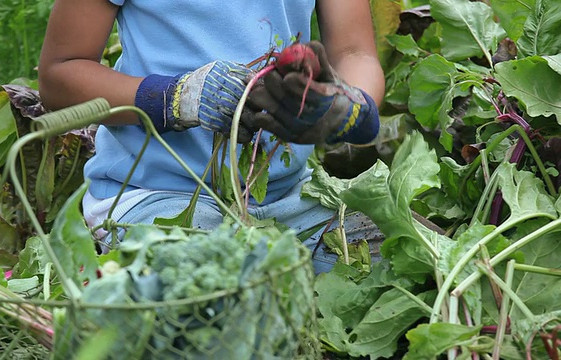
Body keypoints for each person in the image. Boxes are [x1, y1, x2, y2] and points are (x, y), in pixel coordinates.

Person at [38, 0, 385, 274]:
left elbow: (354, 52)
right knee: (223, 299)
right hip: (158, 196)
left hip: (291, 196)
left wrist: (352, 106)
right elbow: (60, 74)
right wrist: (176, 97)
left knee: (403, 263)